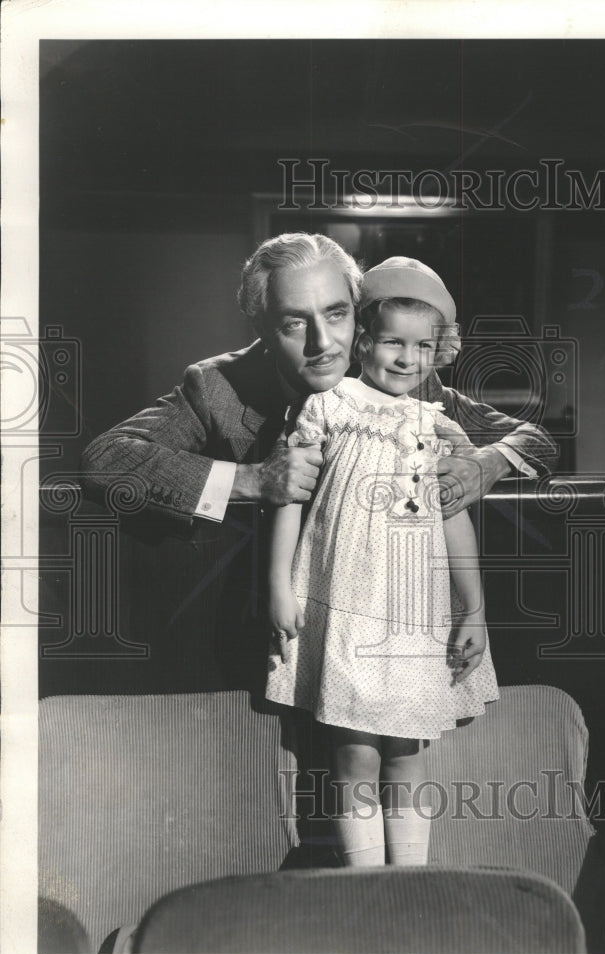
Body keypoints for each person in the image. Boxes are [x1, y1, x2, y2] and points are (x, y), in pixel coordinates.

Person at [265, 257, 500, 868]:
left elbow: (454, 519)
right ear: (364, 341)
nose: (406, 357)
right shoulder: (329, 405)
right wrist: (278, 587)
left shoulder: (435, 426)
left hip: (412, 612)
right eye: (392, 341)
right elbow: (288, 498)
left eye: (422, 346)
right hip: (344, 602)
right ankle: (367, 887)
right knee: (354, 754)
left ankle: (410, 882)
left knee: (405, 752)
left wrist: (473, 608)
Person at [80, 232, 558, 527]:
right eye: (294, 323)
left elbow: (535, 439)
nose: (324, 342)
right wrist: (252, 481)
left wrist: (488, 465)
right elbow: (106, 460)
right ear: (263, 331)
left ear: (359, 314)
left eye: (336, 314)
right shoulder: (215, 387)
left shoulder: (400, 378)